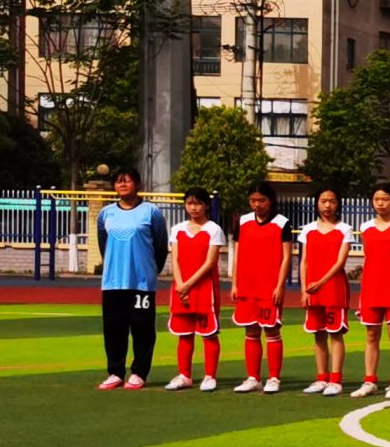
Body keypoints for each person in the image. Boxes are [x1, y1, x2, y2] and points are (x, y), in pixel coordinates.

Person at [94, 166, 167, 390]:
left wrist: (149, 270)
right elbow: (103, 245)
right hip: (113, 282)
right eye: (118, 181)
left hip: (141, 282)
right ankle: (115, 372)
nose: (122, 184)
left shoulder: (151, 212)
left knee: (142, 327)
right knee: (114, 327)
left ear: (138, 184)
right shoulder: (105, 214)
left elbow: (160, 246)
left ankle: (139, 372)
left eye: (127, 181)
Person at [351, 185, 390, 401]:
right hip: (370, 288)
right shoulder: (365, 227)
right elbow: (369, 255)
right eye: (376, 199)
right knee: (371, 335)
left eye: (385, 199)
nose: (380, 203)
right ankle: (370, 381)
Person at [229, 182, 291, 395]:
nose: (257, 204)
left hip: (269, 286)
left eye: (261, 200)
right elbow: (237, 254)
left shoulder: (282, 223)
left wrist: (280, 285)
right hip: (247, 285)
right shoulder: (243, 221)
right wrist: (235, 283)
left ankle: (274, 377)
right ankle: (253, 377)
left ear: (270, 200)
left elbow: (286, 257)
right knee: (251, 330)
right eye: (253, 200)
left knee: (272, 330)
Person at [165, 188, 224, 391]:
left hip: (204, 289)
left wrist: (189, 284)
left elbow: (210, 262)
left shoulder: (213, 229)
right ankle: (184, 375)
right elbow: (175, 259)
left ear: (206, 205)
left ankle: (210, 376)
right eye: (190, 203)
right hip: (181, 289)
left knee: (209, 334)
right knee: (184, 333)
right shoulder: (177, 229)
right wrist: (180, 284)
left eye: (198, 203)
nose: (193, 207)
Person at [297, 186, 353, 396]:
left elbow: (340, 262)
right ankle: (321, 378)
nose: (327, 205)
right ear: (317, 203)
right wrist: (305, 289)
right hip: (313, 290)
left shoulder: (344, 229)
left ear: (338, 204)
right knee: (318, 334)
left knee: (335, 334)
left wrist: (321, 281)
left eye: (332, 201)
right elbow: (303, 261)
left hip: (334, 289)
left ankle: (336, 379)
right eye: (323, 201)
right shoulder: (308, 229)